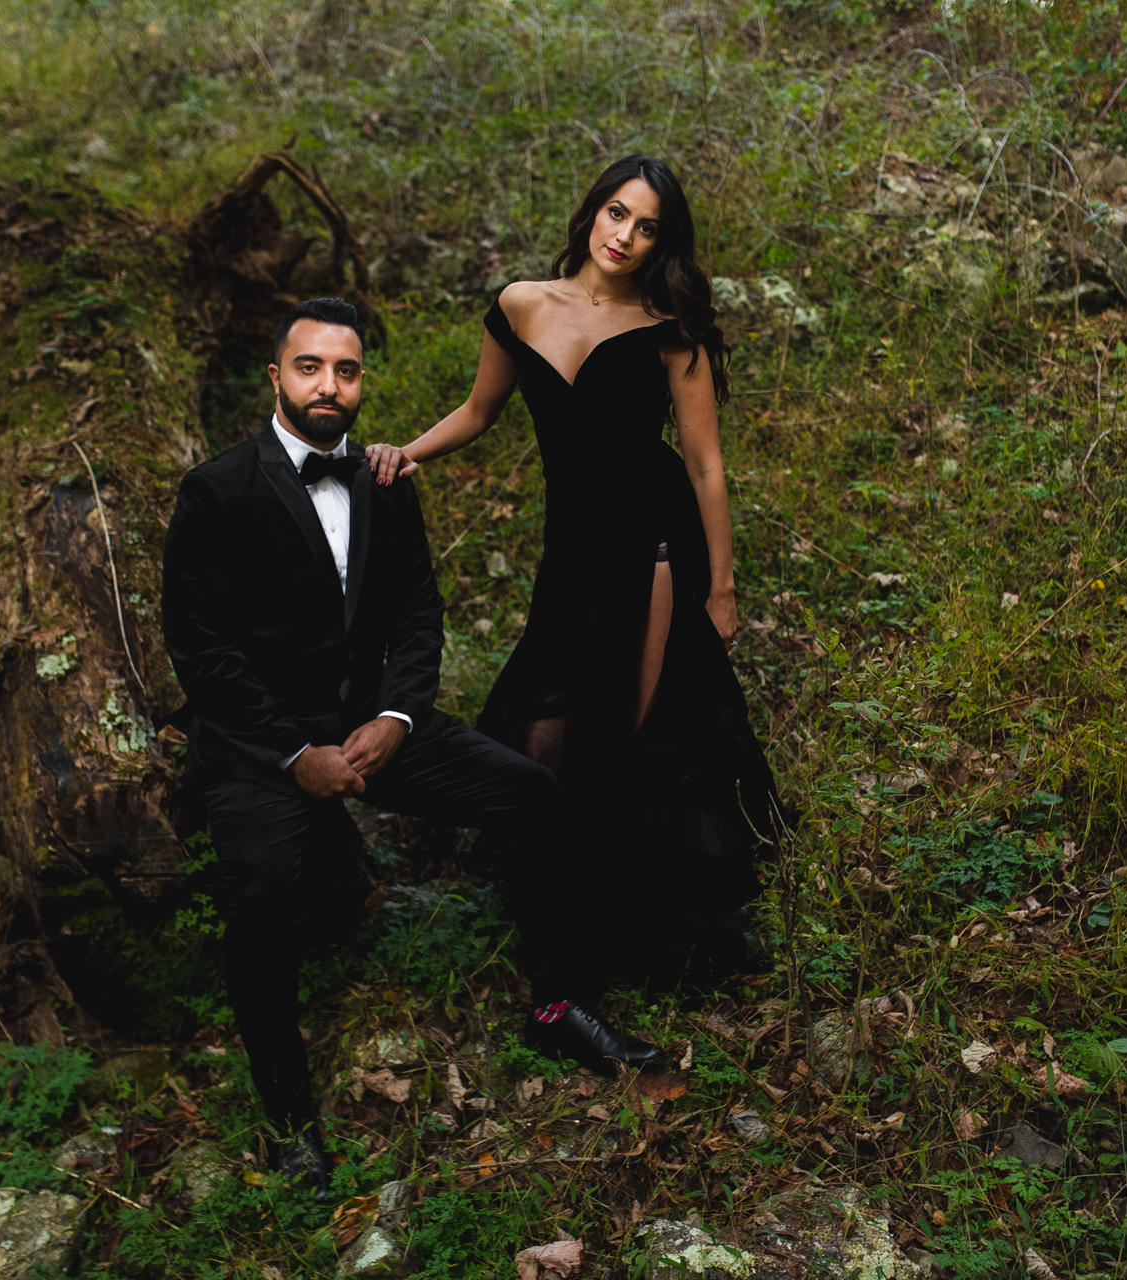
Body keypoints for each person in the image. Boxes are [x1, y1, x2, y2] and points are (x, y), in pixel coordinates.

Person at [161, 297, 659, 1198]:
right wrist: (293, 756)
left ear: (361, 385)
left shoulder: (386, 484)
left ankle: (553, 1001)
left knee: (533, 795)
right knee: (261, 891)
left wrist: (396, 721)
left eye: (346, 371)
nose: (329, 385)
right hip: (258, 749)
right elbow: (204, 653)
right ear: (275, 377)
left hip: (377, 730)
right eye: (310, 367)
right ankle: (287, 1121)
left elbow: (419, 613)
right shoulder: (216, 490)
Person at [366, 156, 780, 992]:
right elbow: (480, 412)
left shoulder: (671, 326)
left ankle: (635, 917)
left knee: (635, 725)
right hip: (572, 550)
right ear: (592, 212)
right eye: (617, 214)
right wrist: (402, 453)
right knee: (548, 723)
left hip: (653, 544)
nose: (626, 236)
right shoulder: (522, 304)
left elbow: (706, 469)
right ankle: (557, 895)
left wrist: (722, 589)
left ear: (665, 241)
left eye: (648, 226)